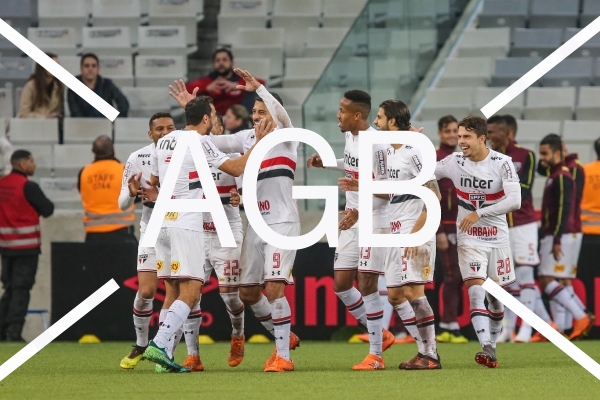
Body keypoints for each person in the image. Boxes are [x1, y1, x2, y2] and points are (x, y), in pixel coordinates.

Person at [169, 72, 301, 373]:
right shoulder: (246, 139)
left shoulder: (286, 137)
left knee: (274, 288)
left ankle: (283, 356)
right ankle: (282, 340)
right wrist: (193, 110)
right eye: (253, 112)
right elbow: (209, 140)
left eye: (261, 112)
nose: (255, 117)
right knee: (248, 293)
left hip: (282, 222)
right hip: (256, 223)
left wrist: (263, 91)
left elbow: (281, 114)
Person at [142, 95, 272, 372]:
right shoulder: (199, 141)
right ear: (205, 119)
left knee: (174, 290)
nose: (215, 119)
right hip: (186, 223)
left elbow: (153, 180)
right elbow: (236, 167)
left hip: (162, 221)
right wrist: (259, 143)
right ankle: (161, 344)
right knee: (191, 292)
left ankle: (165, 356)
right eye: (212, 114)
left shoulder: (165, 139)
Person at [340, 100, 443, 369]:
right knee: (397, 296)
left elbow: (435, 195)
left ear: (393, 123)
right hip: (397, 232)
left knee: (414, 292)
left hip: (414, 231)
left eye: (381, 118)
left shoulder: (414, 152)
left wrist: (418, 233)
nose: (376, 122)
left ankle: (431, 355)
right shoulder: (393, 153)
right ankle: (424, 352)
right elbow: (392, 191)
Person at [306, 91, 395, 370]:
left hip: (373, 219)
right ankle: (379, 332)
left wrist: (360, 211)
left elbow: (387, 192)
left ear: (358, 115)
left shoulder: (378, 146)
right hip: (351, 217)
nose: (337, 115)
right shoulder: (350, 137)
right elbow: (355, 169)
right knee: (342, 284)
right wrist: (329, 163)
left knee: (367, 284)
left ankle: (376, 355)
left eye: (342, 110)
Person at [434, 116, 521, 368]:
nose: (461, 142)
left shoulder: (502, 163)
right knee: (475, 290)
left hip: (497, 239)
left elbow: (515, 201)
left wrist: (480, 213)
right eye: (459, 136)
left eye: (466, 137)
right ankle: (486, 347)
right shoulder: (454, 161)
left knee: (495, 299)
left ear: (482, 138)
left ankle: (492, 345)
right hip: (468, 237)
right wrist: (431, 187)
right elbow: (424, 174)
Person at [118, 112, 180, 371]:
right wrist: (131, 193)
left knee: (174, 290)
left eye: (170, 127)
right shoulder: (138, 158)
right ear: (150, 133)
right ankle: (142, 344)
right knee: (146, 291)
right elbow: (122, 204)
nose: (165, 132)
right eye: (159, 129)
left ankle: (165, 351)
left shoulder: (186, 155)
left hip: (178, 228)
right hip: (151, 229)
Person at [487, 115, 543, 343]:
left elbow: (526, 190)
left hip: (523, 223)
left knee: (526, 273)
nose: (488, 137)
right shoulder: (487, 158)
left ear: (508, 133)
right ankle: (507, 329)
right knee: (504, 278)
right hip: (499, 224)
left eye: (492, 132)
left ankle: (526, 329)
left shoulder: (525, 155)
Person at [536, 134, 593, 340]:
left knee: (546, 278)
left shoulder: (562, 176)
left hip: (560, 233)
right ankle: (562, 325)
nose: (542, 158)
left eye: (545, 153)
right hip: (562, 232)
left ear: (558, 152)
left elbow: (564, 209)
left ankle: (581, 315)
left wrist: (557, 238)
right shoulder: (556, 174)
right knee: (559, 278)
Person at [0, 150, 54, 341]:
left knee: (10, 288)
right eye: (31, 161)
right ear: (22, 164)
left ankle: (2, 330)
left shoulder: (2, 185)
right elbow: (48, 209)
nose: (34, 164)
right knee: (21, 289)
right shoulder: (28, 186)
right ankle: (13, 332)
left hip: (5, 247)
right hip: (26, 247)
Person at [433, 115, 468, 344]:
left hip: (462, 224)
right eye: (448, 131)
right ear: (440, 133)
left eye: (456, 131)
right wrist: (438, 231)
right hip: (444, 226)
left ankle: (449, 323)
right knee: (451, 274)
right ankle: (448, 325)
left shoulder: (463, 158)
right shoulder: (435, 159)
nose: (453, 135)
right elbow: (432, 197)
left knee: (458, 275)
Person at [78, 135, 136, 243]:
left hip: (94, 235)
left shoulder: (84, 172)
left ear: (92, 151)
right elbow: (136, 196)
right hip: (123, 234)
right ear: (113, 150)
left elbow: (83, 193)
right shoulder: (124, 170)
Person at [185, 49, 265, 115]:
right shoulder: (208, 80)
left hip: (238, 118)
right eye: (217, 60)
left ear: (232, 62)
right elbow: (188, 88)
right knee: (198, 95)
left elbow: (261, 83)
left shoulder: (239, 80)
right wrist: (207, 88)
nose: (221, 63)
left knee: (253, 91)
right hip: (213, 118)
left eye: (224, 60)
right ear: (213, 64)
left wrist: (237, 85)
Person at [67, 53, 129, 118]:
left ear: (98, 69)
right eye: (86, 66)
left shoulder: (107, 84)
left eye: (93, 66)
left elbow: (123, 103)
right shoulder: (73, 88)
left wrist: (116, 122)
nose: (90, 69)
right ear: (81, 69)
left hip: (106, 125)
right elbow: (76, 113)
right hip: (83, 126)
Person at [17, 52, 64, 119]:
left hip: (52, 125)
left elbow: (59, 111)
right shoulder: (31, 86)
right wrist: (44, 117)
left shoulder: (59, 85)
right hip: (34, 124)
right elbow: (23, 113)